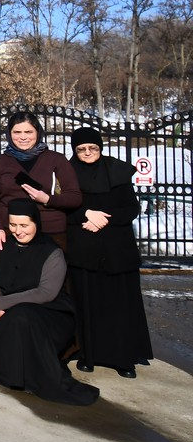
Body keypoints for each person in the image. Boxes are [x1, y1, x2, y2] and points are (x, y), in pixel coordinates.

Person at [0, 199, 99, 406]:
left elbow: (45, 293)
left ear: (36, 223)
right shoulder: (3, 245)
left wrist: (2, 303)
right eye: (13, 225)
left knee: (22, 316)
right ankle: (9, 373)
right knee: (15, 318)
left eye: (24, 225)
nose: (18, 231)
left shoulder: (52, 252)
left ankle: (29, 376)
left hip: (50, 315)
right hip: (10, 311)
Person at [66, 127, 153, 377]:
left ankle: (122, 359)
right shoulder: (68, 174)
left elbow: (131, 208)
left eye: (92, 148)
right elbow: (64, 207)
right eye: (81, 149)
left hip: (117, 250)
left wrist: (106, 219)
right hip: (84, 249)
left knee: (119, 307)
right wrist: (84, 215)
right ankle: (88, 355)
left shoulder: (117, 171)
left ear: (100, 148)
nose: (87, 153)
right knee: (87, 305)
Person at [0, 112, 82, 252]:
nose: (23, 137)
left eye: (28, 132)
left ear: (38, 132)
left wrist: (47, 199)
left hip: (51, 232)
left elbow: (75, 197)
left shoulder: (56, 160)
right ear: (9, 134)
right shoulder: (0, 162)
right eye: (17, 132)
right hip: (12, 232)